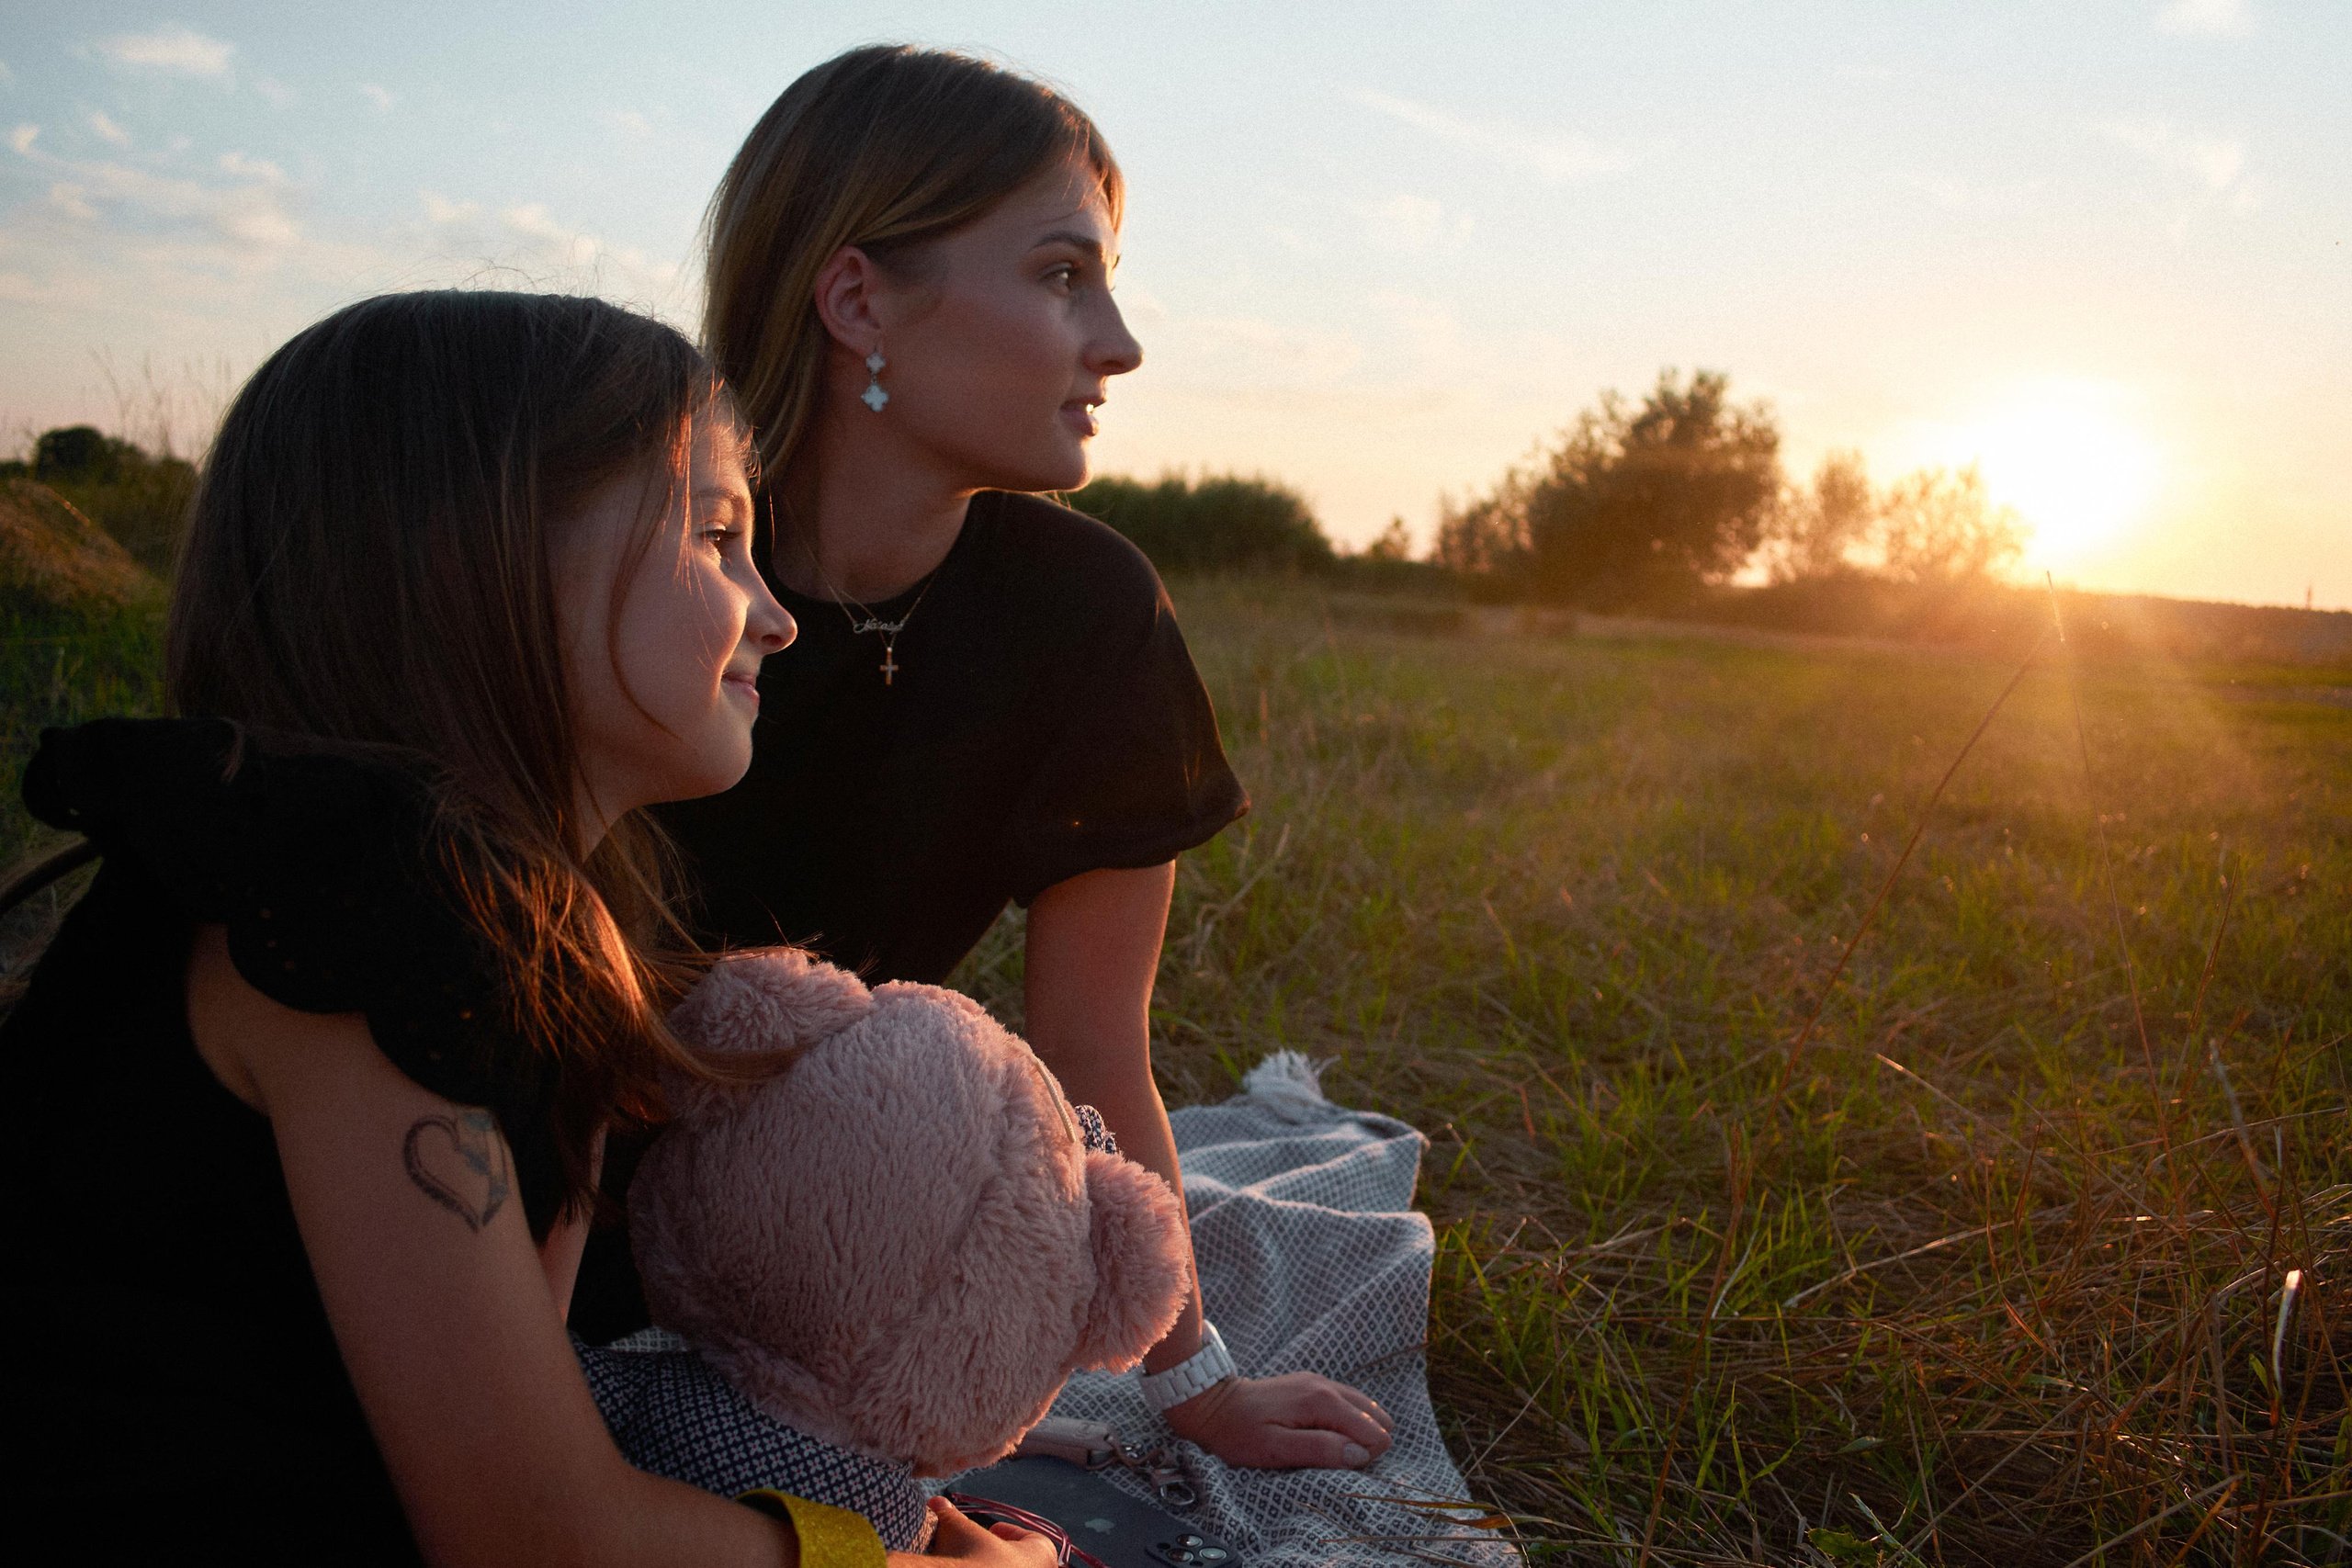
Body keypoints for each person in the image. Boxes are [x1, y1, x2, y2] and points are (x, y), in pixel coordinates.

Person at [5, 290, 1052, 1565]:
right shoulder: (364, 904)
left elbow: (530, 1418)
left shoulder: (521, 912)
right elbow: (531, 1535)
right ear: (481, 560)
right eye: (718, 535)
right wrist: (874, 1562)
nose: (776, 614)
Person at [631, 45, 1396, 1473]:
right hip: (537, 1185)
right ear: (859, 300)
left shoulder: (1086, 615)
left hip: (826, 1238)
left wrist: (1196, 1387)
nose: (1119, 343)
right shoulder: (641, 562)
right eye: (1061, 275)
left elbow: (1094, 1044)